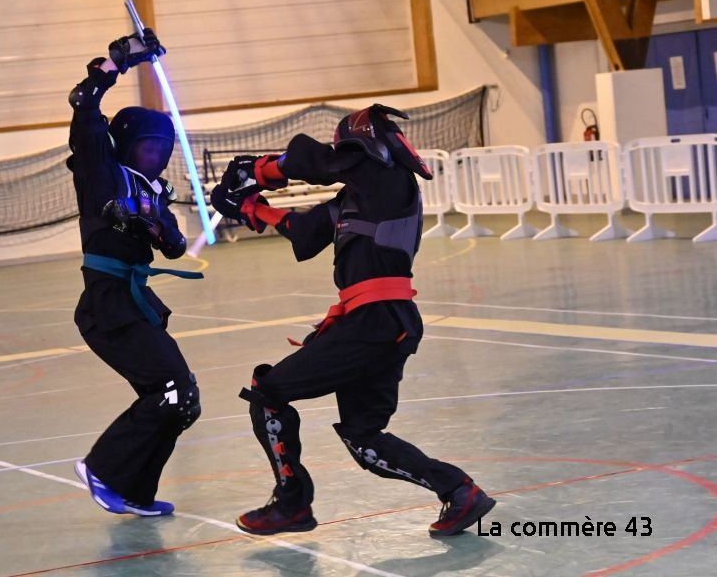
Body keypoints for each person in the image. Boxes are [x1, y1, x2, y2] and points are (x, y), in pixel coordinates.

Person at [210, 104, 496, 536]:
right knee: (364, 439)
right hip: (377, 324)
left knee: (268, 391)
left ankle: (291, 505)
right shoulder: (358, 197)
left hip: (375, 322)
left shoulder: (392, 182)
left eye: (348, 152)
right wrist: (251, 209)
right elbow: (304, 230)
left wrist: (260, 168)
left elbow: (316, 161)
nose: (344, 161)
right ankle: (459, 491)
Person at [66, 29, 202, 516]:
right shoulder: (99, 170)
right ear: (126, 145)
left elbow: (174, 244)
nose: (157, 156)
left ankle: (132, 491)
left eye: (161, 149)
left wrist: (159, 227)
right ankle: (102, 468)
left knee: (181, 400)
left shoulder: (153, 190)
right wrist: (118, 62)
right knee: (172, 390)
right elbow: (84, 108)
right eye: (147, 147)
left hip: (135, 304)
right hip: (108, 306)